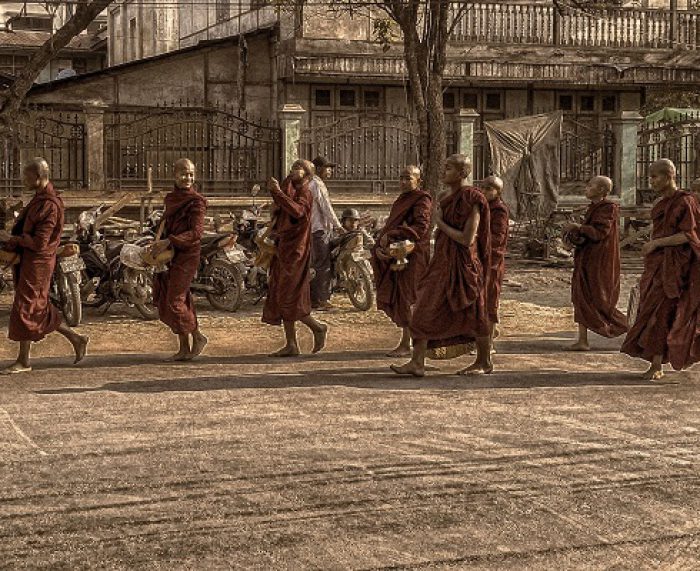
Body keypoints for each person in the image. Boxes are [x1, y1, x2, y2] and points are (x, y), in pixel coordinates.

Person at [391, 154, 491, 377]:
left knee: (475, 312)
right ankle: (417, 362)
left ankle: (484, 362)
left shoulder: (472, 198)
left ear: (462, 173)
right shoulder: (445, 197)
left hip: (464, 265)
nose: (444, 172)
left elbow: (467, 239)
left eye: (449, 168)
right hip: (443, 264)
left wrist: (440, 223)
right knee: (423, 309)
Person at [0, 158, 88, 374]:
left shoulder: (49, 204)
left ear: (38, 177)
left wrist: (13, 239)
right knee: (37, 307)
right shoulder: (39, 198)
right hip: (30, 260)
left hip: (38, 263)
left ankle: (23, 361)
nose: (23, 181)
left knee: (26, 308)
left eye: (27, 177)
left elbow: (40, 243)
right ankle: (76, 338)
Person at [621, 159, 700, 380]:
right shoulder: (661, 203)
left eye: (655, 177)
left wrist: (657, 243)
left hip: (676, 269)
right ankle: (656, 363)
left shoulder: (685, 202)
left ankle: (658, 365)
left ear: (669, 176)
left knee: (664, 314)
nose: (651, 181)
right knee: (652, 311)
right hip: (658, 266)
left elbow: (688, 235)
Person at [263, 159, 328, 356]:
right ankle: (291, 344)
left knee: (290, 295)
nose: (294, 170)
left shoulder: (305, 192)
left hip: (296, 253)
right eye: (293, 166)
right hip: (283, 248)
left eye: (300, 168)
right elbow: (281, 211)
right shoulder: (289, 188)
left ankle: (317, 327)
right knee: (282, 294)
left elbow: (297, 211)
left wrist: (278, 193)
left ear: (308, 174)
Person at [149, 158, 208, 361]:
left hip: (188, 253)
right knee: (177, 298)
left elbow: (197, 233)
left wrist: (168, 241)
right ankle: (183, 347)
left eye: (191, 174)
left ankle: (198, 337)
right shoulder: (171, 198)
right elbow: (167, 224)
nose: (187, 178)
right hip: (171, 254)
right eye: (183, 174)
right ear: (174, 175)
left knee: (175, 301)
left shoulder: (197, 201)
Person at [371, 165, 432, 357]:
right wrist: (381, 246)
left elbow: (420, 228)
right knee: (400, 296)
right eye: (401, 178)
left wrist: (394, 234)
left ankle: (409, 343)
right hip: (397, 253)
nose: (403, 182)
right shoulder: (401, 200)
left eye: (408, 178)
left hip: (413, 255)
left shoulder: (422, 199)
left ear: (418, 181)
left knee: (408, 298)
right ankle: (409, 341)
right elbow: (393, 224)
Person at [563, 175, 628, 351]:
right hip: (586, 258)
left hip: (600, 261)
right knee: (580, 298)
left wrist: (578, 228)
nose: (586, 188)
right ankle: (582, 340)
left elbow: (600, 232)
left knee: (600, 300)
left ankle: (629, 328)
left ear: (601, 190)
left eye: (590, 186)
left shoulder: (609, 208)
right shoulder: (593, 207)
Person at [480, 175, 509, 353]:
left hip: (493, 261)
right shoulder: (482, 207)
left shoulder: (500, 210)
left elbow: (497, 238)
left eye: (489, 189)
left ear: (498, 192)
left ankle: (489, 344)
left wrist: (477, 241)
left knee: (490, 301)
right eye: (483, 188)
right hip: (480, 261)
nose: (484, 192)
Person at [309, 156, 343, 310]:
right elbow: (326, 207)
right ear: (318, 169)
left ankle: (315, 299)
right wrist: (338, 225)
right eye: (327, 168)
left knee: (318, 264)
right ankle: (322, 300)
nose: (329, 171)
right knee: (323, 265)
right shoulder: (316, 184)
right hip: (319, 229)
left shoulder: (313, 183)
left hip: (317, 228)